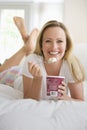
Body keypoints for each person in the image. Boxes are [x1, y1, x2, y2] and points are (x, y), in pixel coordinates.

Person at [22, 20, 85, 101]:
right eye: (48, 41)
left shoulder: (72, 65)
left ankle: (29, 43)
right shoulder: (31, 61)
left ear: (66, 45)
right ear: (41, 45)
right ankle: (27, 45)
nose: (54, 47)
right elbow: (27, 100)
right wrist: (37, 80)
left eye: (59, 41)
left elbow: (80, 101)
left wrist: (65, 97)